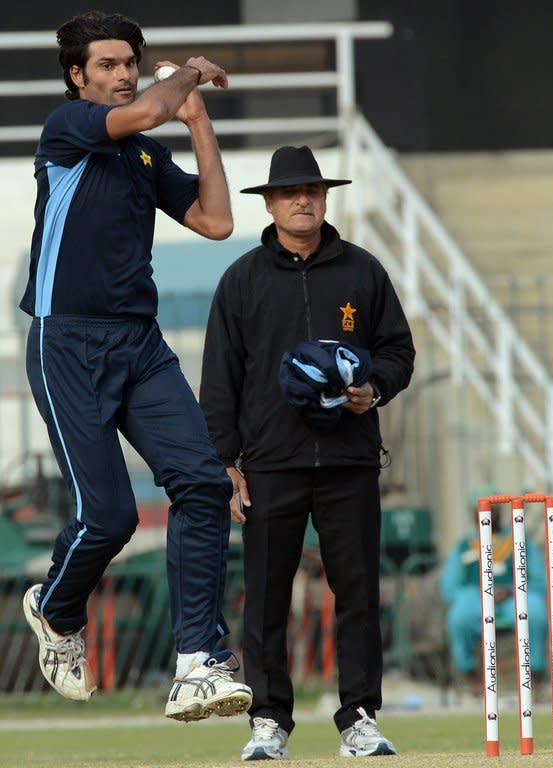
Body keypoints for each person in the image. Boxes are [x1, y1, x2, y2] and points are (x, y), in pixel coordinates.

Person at [20, 10, 252, 722]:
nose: (123, 74)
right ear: (77, 76)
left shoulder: (145, 156)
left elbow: (217, 221)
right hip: (68, 342)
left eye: (130, 63)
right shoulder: (68, 131)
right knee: (110, 515)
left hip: (139, 344)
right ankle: (57, 610)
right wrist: (185, 75)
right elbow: (149, 106)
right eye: (109, 65)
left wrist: (199, 118)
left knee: (205, 483)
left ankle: (196, 663)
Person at [199, 145, 415, 759]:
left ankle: (360, 718)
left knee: (359, 594)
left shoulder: (363, 270)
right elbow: (220, 380)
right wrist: (226, 463)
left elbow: (399, 351)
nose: (303, 201)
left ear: (325, 200)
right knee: (266, 598)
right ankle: (268, 721)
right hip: (270, 464)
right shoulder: (241, 279)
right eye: (291, 192)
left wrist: (373, 392)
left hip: (349, 460)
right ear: (269, 203)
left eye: (314, 192)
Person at [440, 490, 548, 695]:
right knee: (459, 614)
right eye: (481, 510)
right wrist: (482, 593)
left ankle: (535, 675)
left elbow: (539, 580)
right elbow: (449, 587)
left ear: (500, 511)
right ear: (473, 513)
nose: (488, 514)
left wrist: (511, 590)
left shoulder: (519, 540)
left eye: (493, 510)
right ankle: (471, 674)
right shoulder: (464, 545)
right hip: (476, 601)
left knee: (534, 610)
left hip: (513, 598)